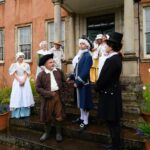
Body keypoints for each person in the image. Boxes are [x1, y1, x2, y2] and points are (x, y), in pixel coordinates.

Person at [95, 32, 123, 150]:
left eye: (106, 45)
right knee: (112, 122)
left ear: (111, 46)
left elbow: (104, 79)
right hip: (111, 94)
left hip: (110, 95)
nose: (105, 46)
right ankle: (115, 145)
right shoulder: (114, 58)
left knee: (113, 123)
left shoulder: (113, 60)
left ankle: (116, 146)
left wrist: (96, 87)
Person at [36, 53, 66, 142]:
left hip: (58, 96)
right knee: (47, 116)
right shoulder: (41, 75)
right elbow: (38, 88)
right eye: (50, 62)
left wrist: (64, 94)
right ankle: (46, 133)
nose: (52, 64)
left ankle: (58, 133)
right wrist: (48, 93)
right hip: (47, 98)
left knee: (59, 115)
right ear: (45, 64)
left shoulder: (59, 71)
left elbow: (64, 83)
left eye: (53, 62)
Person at [68, 36, 93, 132]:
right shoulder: (81, 55)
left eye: (82, 44)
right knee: (81, 103)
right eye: (80, 44)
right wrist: (71, 77)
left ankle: (85, 121)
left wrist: (78, 81)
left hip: (84, 83)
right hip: (79, 83)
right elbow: (77, 70)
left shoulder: (88, 56)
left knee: (85, 103)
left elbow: (85, 71)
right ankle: (82, 118)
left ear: (87, 46)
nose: (80, 45)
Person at [9, 52, 35, 118]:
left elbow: (26, 73)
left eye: (22, 57)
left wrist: (23, 80)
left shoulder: (26, 65)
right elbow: (14, 74)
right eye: (20, 57)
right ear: (17, 58)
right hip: (17, 81)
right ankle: (17, 113)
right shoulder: (14, 65)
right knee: (17, 95)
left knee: (25, 95)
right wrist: (19, 80)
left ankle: (24, 113)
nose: (21, 58)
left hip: (25, 80)